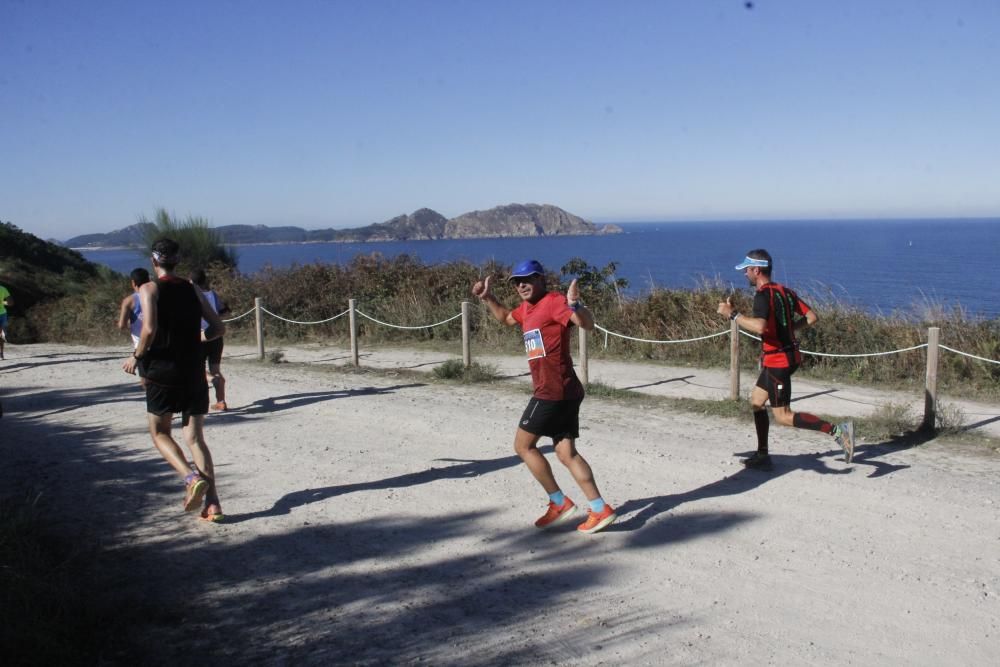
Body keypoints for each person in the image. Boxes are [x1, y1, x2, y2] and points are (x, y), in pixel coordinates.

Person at [472, 259, 617, 534]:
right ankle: (599, 509)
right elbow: (505, 318)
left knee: (523, 446)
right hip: (566, 389)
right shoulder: (528, 308)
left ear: (541, 279)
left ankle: (559, 503)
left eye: (527, 279)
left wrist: (575, 305)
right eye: (516, 282)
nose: (521, 285)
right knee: (566, 453)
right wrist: (487, 297)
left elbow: (586, 325)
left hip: (552, 390)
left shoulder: (553, 302)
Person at [717, 249, 855, 470]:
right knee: (756, 402)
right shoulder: (785, 291)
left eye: (746, 270)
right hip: (789, 355)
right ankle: (762, 455)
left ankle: (838, 431)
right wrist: (789, 331)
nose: (744, 274)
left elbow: (760, 326)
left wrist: (732, 314)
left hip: (778, 362)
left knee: (783, 416)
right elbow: (812, 317)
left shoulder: (762, 295)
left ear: (757, 270)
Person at [122, 239, 227, 522]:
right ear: (176, 261)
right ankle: (213, 503)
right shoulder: (192, 288)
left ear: (154, 261)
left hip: (162, 373)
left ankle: (190, 478)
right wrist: (196, 340)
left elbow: (149, 329)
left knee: (159, 433)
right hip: (193, 372)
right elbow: (218, 327)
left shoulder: (148, 288)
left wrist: (136, 356)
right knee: (195, 439)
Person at [191, 268, 230, 411]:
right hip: (216, 335)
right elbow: (225, 310)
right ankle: (221, 401)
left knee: (196, 369)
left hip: (200, 336)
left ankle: (212, 380)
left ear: (191, 282)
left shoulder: (192, 295)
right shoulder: (212, 294)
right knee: (215, 369)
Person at [117, 268, 151, 348]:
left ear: (133, 282)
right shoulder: (156, 296)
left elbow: (122, 325)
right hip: (157, 338)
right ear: (149, 280)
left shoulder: (129, 301)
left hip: (140, 340)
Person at [0, 282, 11, 360]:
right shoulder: (3, 288)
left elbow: (11, 303)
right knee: (2, 335)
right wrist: (2, 302)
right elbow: (10, 303)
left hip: (3, 314)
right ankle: (1, 354)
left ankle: (1, 354)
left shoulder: (3, 289)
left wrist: (1, 302)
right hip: (3, 314)